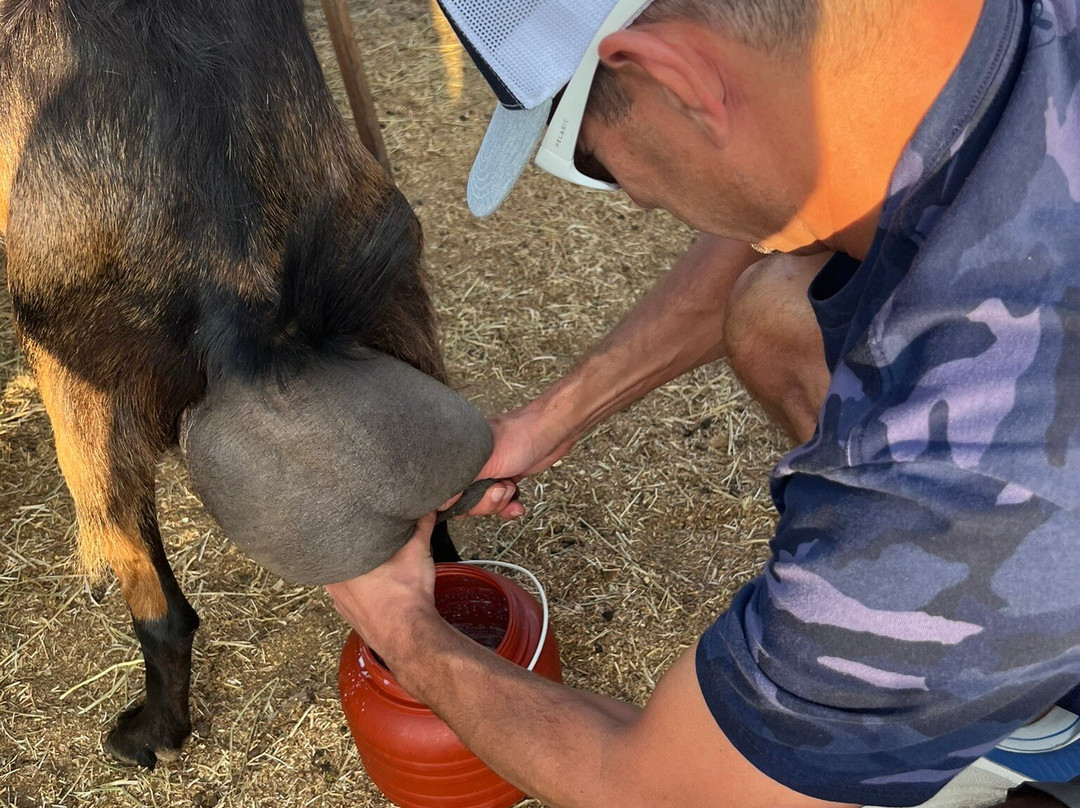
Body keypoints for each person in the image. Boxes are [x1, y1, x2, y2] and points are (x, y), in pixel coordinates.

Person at [325, 1, 1080, 806]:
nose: (636, 201)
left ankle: (991, 679)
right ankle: (1031, 691)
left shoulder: (963, 475)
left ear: (674, 77)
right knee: (775, 309)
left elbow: (657, 789)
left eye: (595, 160)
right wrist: (544, 423)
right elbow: (776, 195)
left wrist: (401, 625)